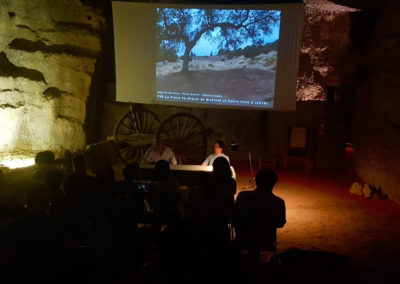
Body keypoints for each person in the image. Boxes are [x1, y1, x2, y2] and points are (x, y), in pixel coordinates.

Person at [234, 168, 286, 268]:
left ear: (256, 181)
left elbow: (235, 216)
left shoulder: (243, 196)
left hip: (243, 238)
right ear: (274, 183)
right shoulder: (278, 202)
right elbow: (280, 223)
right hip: (265, 240)